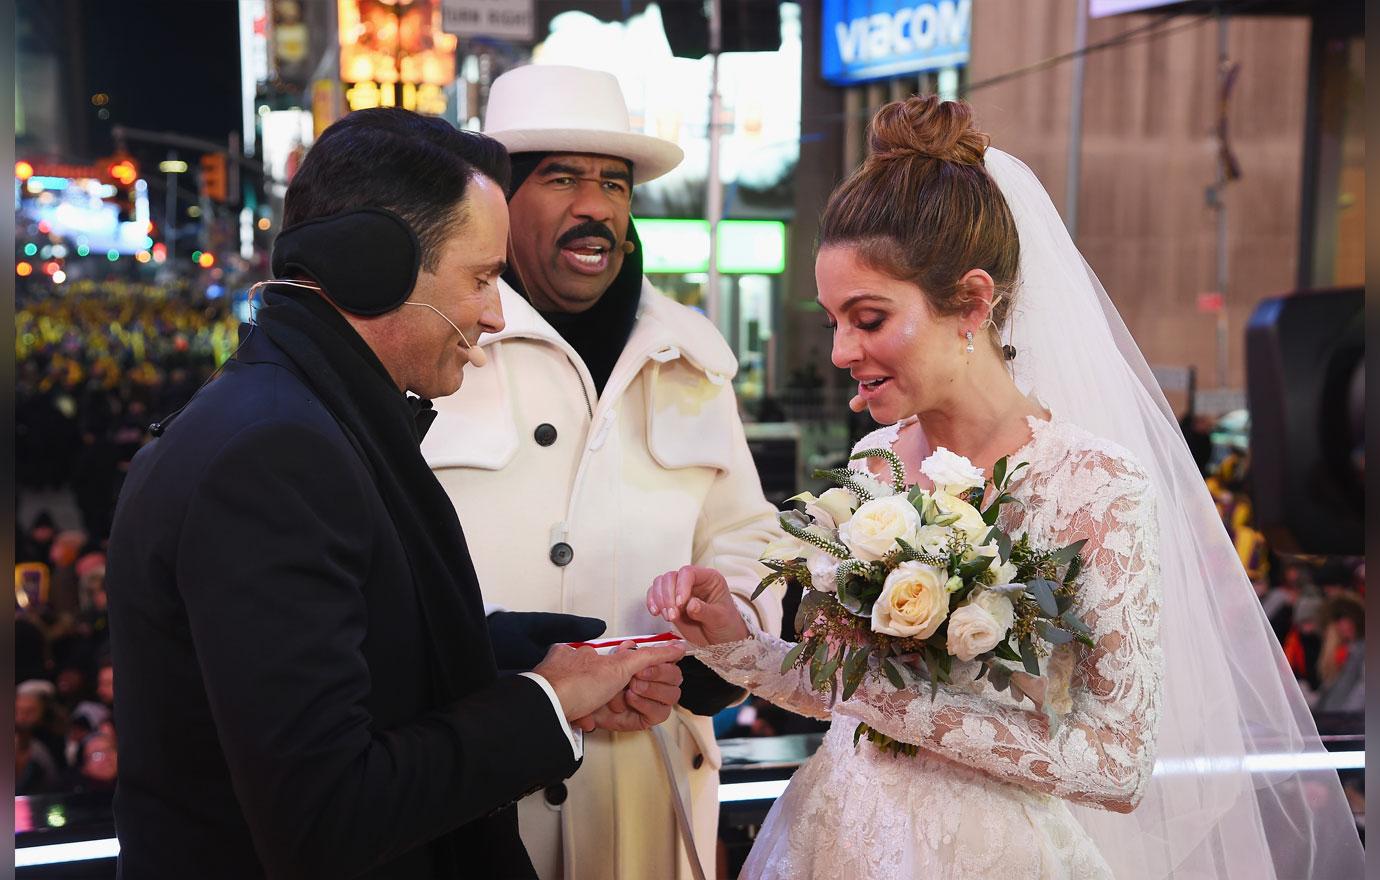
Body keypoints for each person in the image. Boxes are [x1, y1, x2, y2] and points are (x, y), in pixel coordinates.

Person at [649, 96, 1364, 879]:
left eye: (869, 318)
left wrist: (897, 706)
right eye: (832, 322)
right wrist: (735, 643)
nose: (842, 350)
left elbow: (1116, 764)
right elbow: (837, 690)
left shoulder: (1095, 486)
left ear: (976, 303)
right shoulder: (875, 464)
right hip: (838, 838)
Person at [104, 108, 686, 880]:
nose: (496, 312)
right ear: (371, 265)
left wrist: (510, 653)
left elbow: (345, 657)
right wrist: (545, 701)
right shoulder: (275, 457)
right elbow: (328, 813)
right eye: (482, 277)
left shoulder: (295, 421)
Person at [422, 64, 782, 880]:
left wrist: (705, 660)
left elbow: (749, 539)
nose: (597, 207)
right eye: (562, 178)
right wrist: (496, 663)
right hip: (474, 785)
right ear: (496, 202)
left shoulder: (692, 354)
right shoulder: (435, 341)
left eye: (614, 183)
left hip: (646, 790)